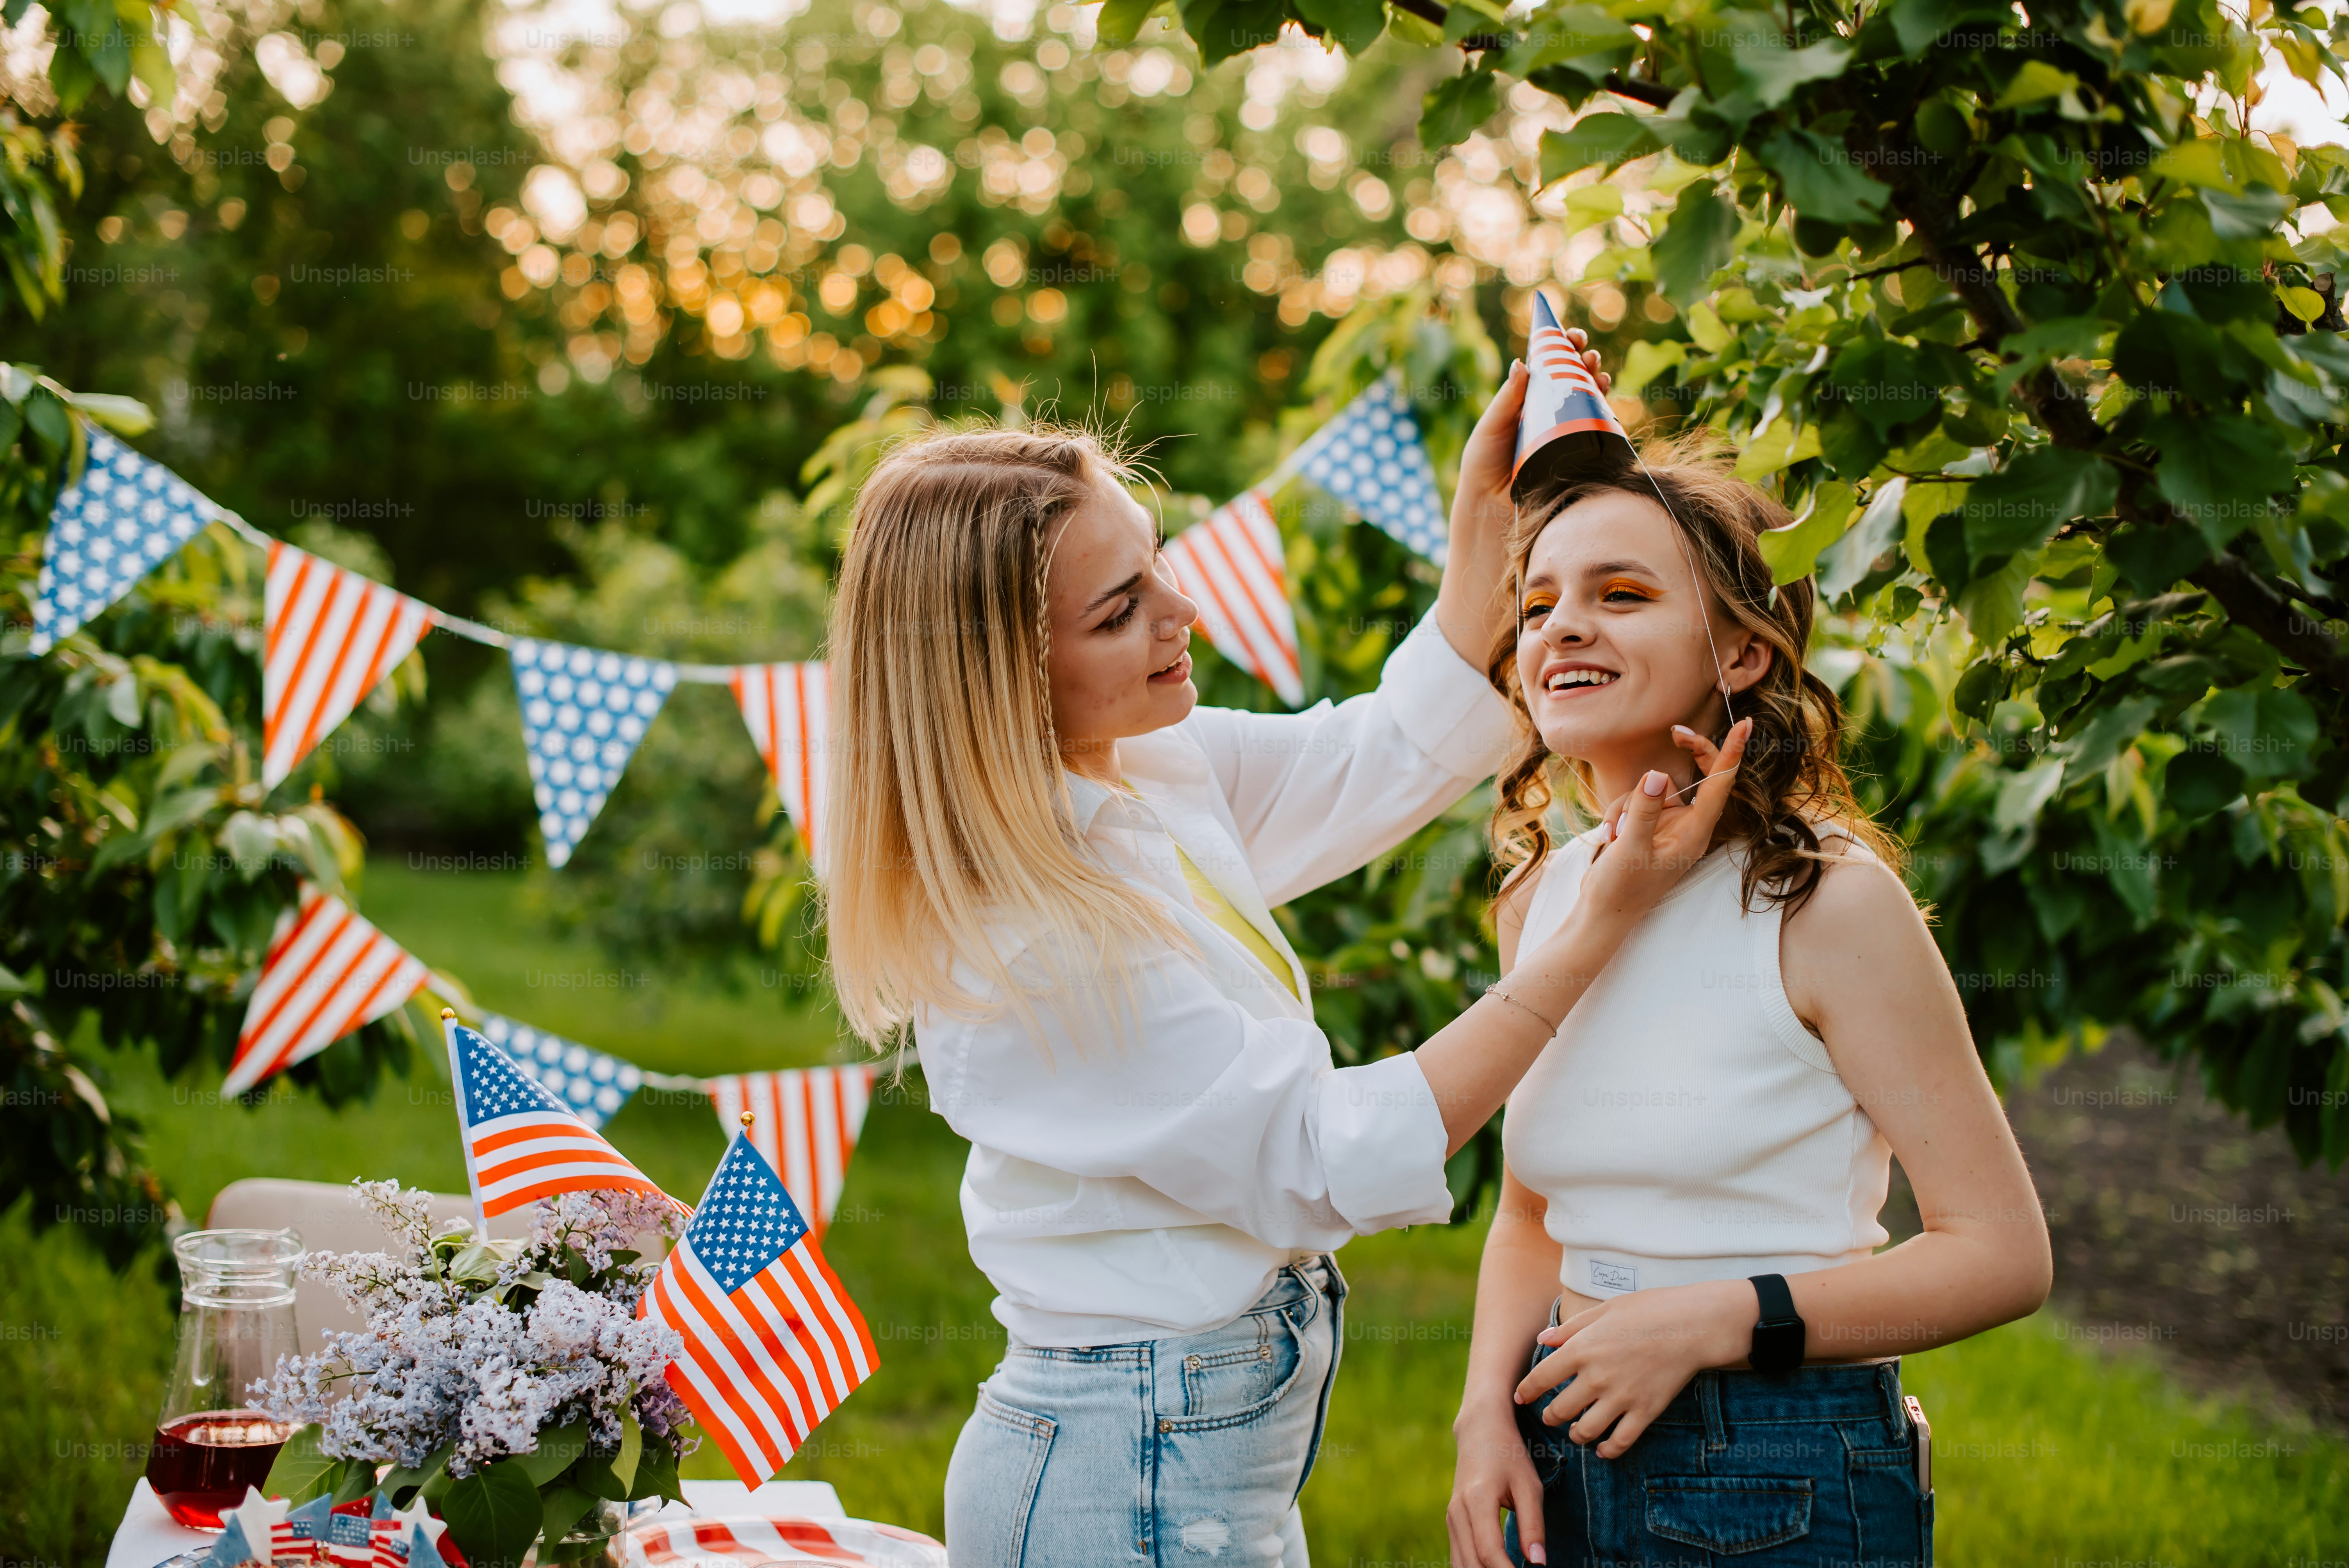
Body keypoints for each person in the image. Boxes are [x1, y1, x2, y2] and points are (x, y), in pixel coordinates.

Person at [820, 346, 1749, 1567]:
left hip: (1187, 1454)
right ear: (999, 679)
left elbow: (1380, 757)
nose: (1183, 613)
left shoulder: (1146, 771)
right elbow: (1321, 1158)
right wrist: (1595, 932)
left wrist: (1484, 527)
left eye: (1157, 565)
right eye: (1120, 611)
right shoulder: (1031, 938)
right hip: (1127, 1474)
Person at [1443, 431, 2053, 1568]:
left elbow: (2002, 1254)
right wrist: (1486, 1416)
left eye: (1622, 594)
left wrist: (1718, 1319)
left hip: (1775, 1464)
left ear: (1744, 652)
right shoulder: (1543, 898)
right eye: (1536, 605)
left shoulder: (1826, 903)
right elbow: (1530, 1217)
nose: (1562, 626)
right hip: (1559, 1438)